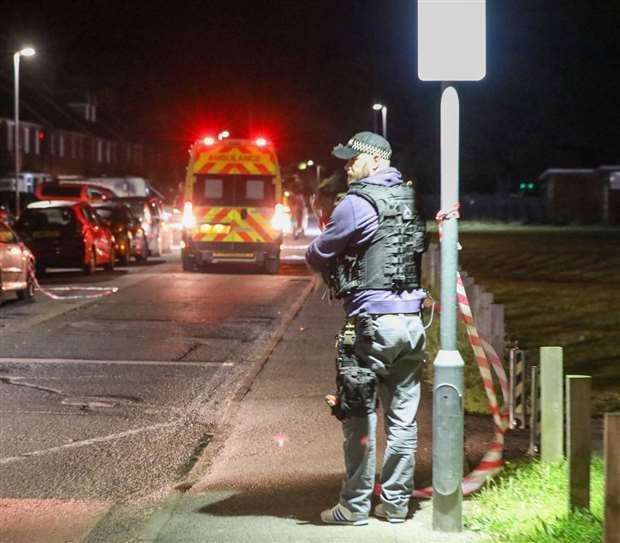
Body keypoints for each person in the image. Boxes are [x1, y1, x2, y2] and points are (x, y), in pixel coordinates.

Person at [305, 131, 427, 526]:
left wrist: (328, 235)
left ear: (376, 160)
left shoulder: (355, 204)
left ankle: (354, 507)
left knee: (359, 416)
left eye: (353, 159)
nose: (347, 165)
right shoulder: (410, 199)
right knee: (403, 422)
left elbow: (317, 252)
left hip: (371, 327)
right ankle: (395, 505)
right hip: (411, 325)